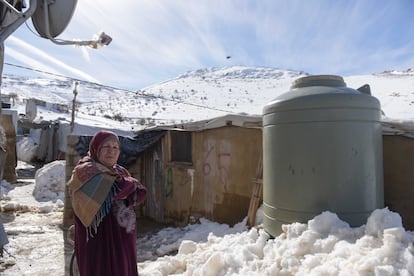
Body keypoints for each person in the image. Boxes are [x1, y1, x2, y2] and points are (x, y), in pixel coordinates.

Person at [68, 130, 147, 276]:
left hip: (122, 240)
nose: (111, 151)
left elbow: (140, 193)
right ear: (96, 148)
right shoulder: (85, 171)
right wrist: (131, 184)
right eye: (106, 147)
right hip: (99, 242)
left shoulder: (119, 171)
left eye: (115, 147)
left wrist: (127, 185)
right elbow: (113, 190)